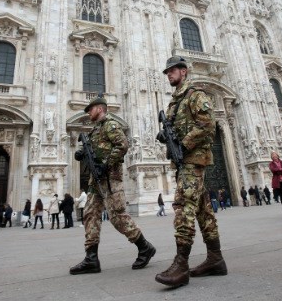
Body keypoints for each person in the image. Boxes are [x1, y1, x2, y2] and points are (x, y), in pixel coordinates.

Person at [155, 56, 227, 288]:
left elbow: (207, 125)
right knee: (203, 210)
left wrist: (183, 144)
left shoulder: (195, 94)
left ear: (184, 71)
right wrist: (166, 136)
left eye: (172, 71)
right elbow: (178, 127)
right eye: (167, 72)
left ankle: (181, 263)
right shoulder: (175, 101)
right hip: (183, 161)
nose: (169, 74)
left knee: (184, 205)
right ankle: (215, 259)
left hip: (193, 159)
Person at [70, 95, 156, 275]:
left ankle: (144, 247)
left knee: (117, 216)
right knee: (90, 214)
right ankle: (91, 258)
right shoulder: (96, 129)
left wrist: (107, 164)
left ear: (99, 109)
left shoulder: (110, 124)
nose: (88, 113)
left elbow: (122, 145)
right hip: (96, 179)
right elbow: (96, 151)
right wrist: (82, 154)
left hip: (110, 177)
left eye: (90, 110)